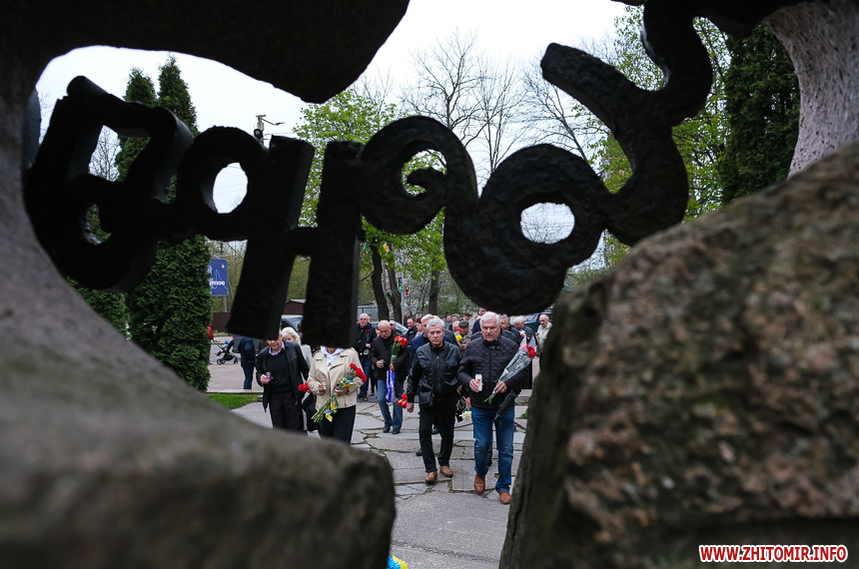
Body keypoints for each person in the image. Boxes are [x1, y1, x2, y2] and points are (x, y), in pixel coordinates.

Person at [458, 311, 527, 505]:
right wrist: (469, 382)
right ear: (481, 328)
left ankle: (503, 487)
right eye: (485, 328)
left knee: (506, 449)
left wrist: (508, 383)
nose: (488, 331)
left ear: (500, 327)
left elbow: (522, 372)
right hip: (480, 405)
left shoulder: (511, 346)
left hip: (504, 406)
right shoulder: (473, 346)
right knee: (482, 445)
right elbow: (462, 371)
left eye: (492, 328)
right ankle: (480, 473)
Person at [406, 318, 462, 483]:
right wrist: (410, 398)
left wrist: (463, 390)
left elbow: (462, 372)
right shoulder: (421, 352)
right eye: (432, 333)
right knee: (424, 432)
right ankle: (430, 469)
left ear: (444, 333)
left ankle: (444, 463)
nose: (436, 335)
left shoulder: (454, 351)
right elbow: (413, 377)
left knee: (447, 432)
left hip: (448, 397)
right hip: (427, 398)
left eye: (438, 332)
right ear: (427, 334)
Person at [255, 330, 311, 432]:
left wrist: (310, 385)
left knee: (295, 428)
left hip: (292, 395)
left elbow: (304, 369)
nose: (273, 342)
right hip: (274, 397)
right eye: (270, 340)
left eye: (275, 339)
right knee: (279, 428)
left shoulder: (293, 348)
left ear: (281, 336)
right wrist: (261, 379)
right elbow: (259, 373)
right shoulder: (263, 355)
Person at [307, 345, 363, 443]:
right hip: (324, 405)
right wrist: (318, 387)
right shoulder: (318, 356)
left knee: (342, 443)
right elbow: (311, 379)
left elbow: (360, 377)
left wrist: (347, 388)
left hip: (344, 406)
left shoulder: (350, 354)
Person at [370, 320, 409, 433]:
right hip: (382, 375)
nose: (383, 334)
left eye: (385, 331)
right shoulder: (376, 341)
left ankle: (396, 425)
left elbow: (406, 353)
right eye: (381, 331)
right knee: (381, 398)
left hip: (397, 374)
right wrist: (376, 362)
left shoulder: (399, 338)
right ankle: (387, 421)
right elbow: (372, 355)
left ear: (390, 329)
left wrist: (396, 364)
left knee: (397, 400)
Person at [354, 313, 376, 401]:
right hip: (357, 355)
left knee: (365, 375)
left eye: (364, 319)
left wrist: (370, 345)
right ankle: (360, 391)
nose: (362, 321)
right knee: (358, 375)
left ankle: (364, 393)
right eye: (361, 319)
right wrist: (363, 344)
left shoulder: (371, 329)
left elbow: (374, 342)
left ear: (367, 320)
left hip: (367, 356)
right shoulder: (355, 329)